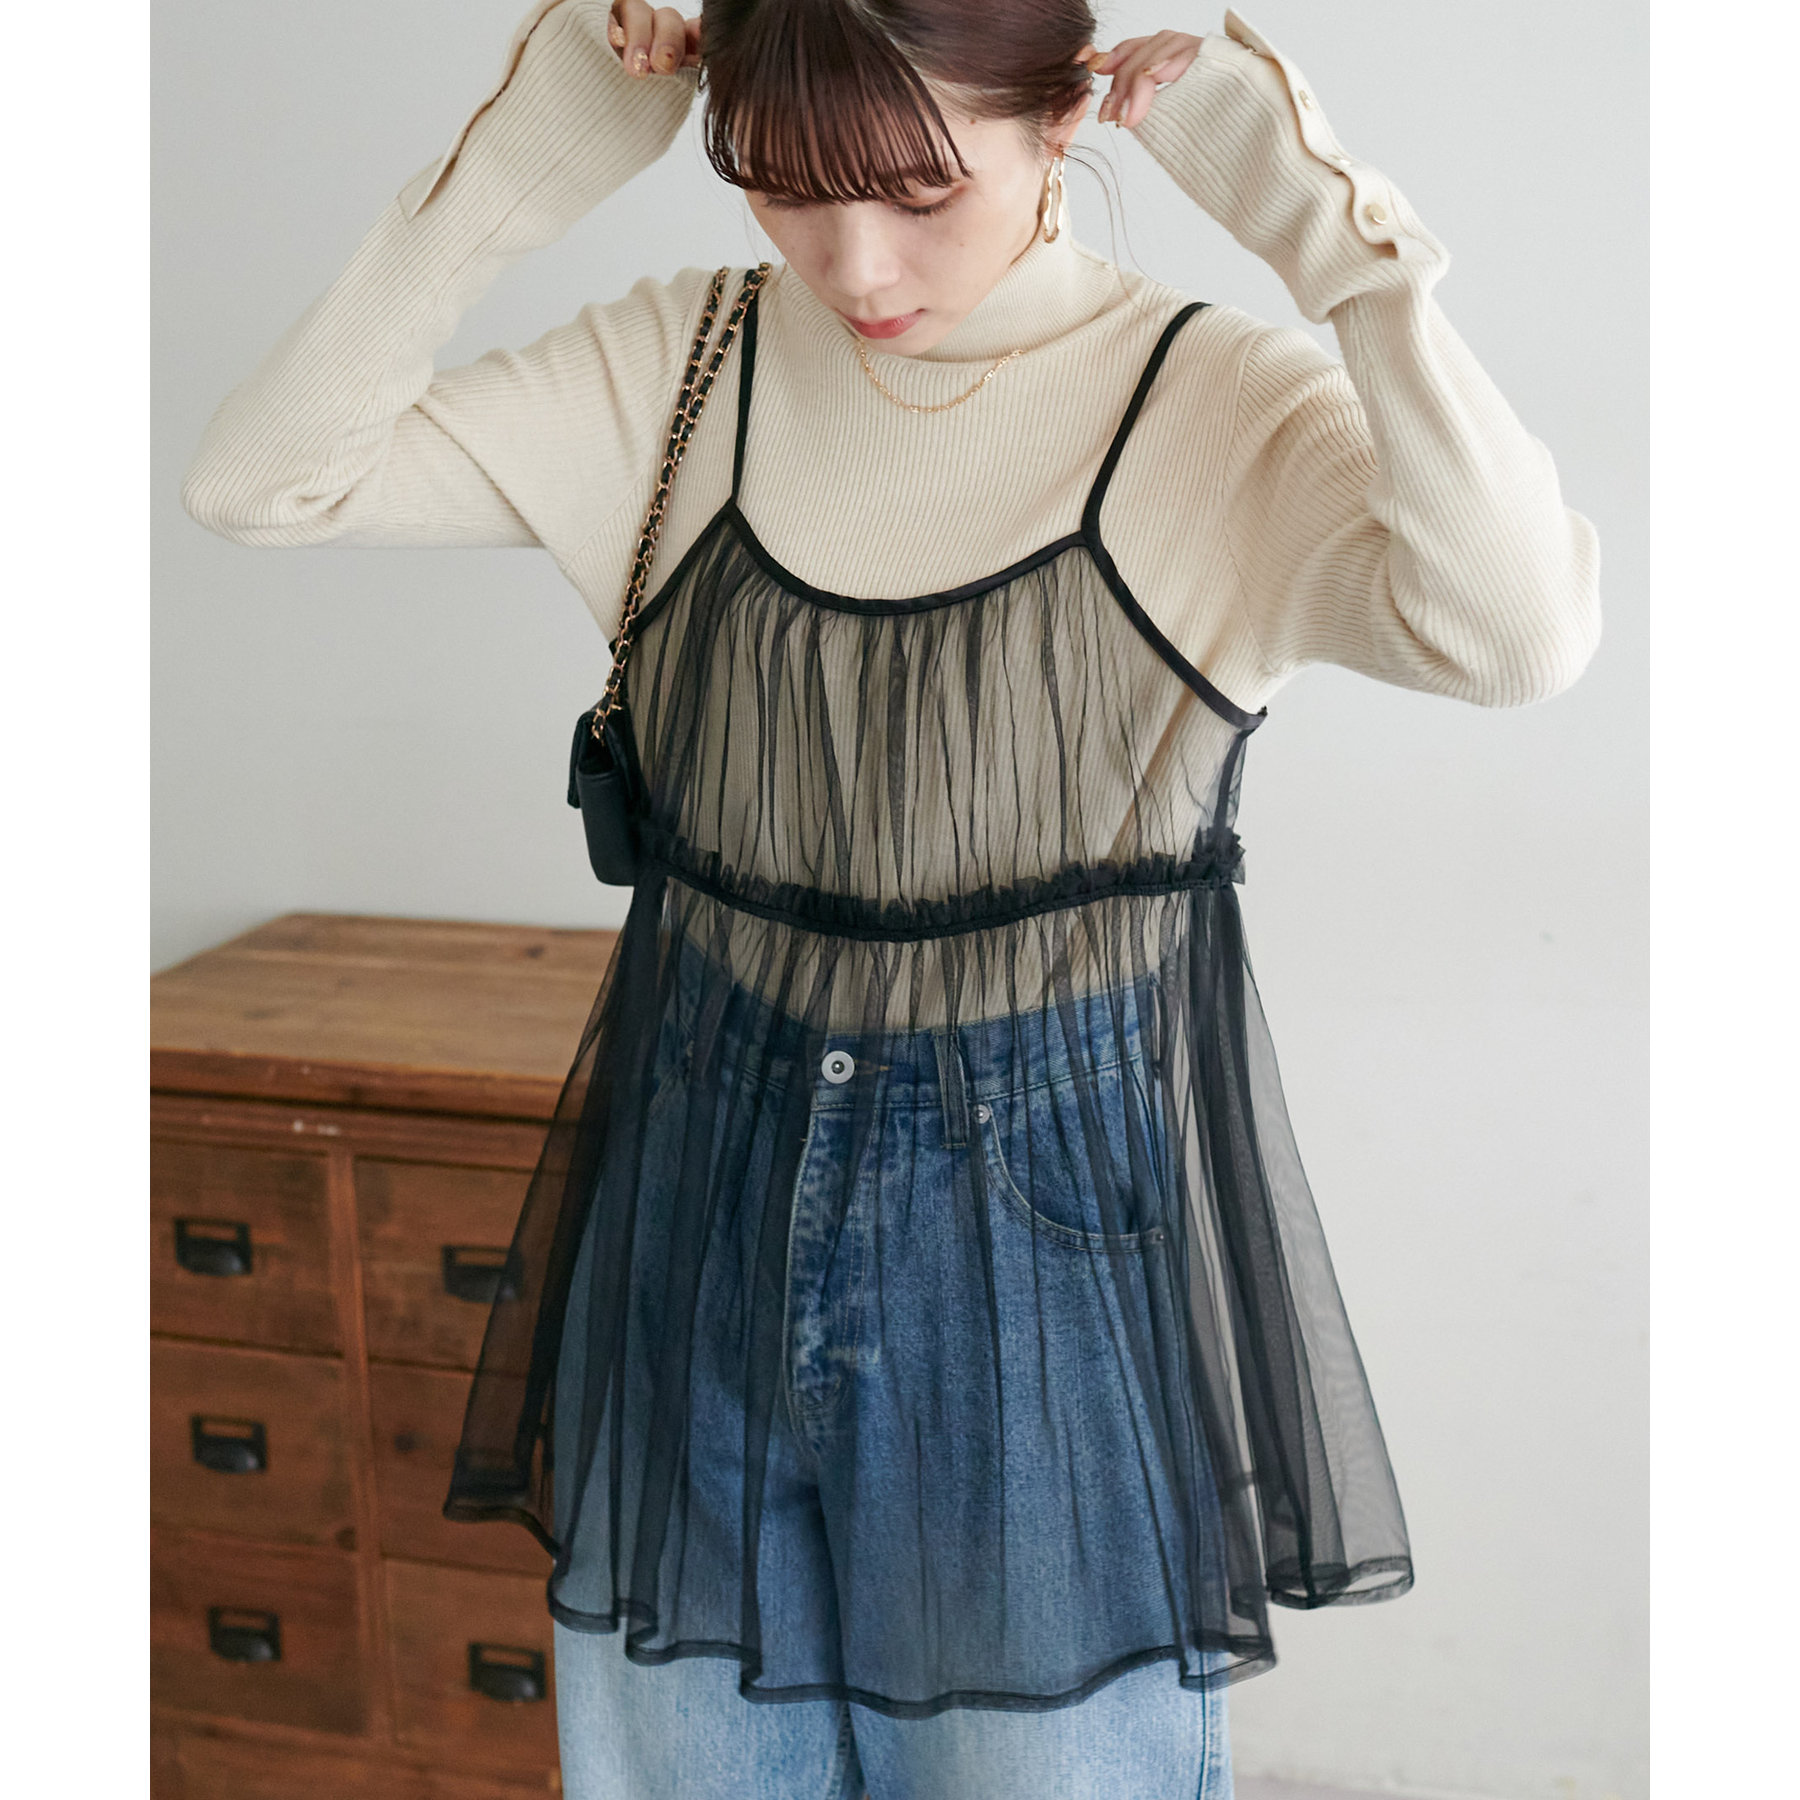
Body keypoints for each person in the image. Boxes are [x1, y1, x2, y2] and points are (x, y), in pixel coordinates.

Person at [180, 3, 1602, 1795]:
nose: (856, 266)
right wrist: (514, 169)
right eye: (784, 187)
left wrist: (1338, 244)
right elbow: (260, 483)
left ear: (1061, 117)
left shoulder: (1210, 407)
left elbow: (1515, 634)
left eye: (923, 192)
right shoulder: (686, 365)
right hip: (694, 1194)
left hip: (1031, 1250)